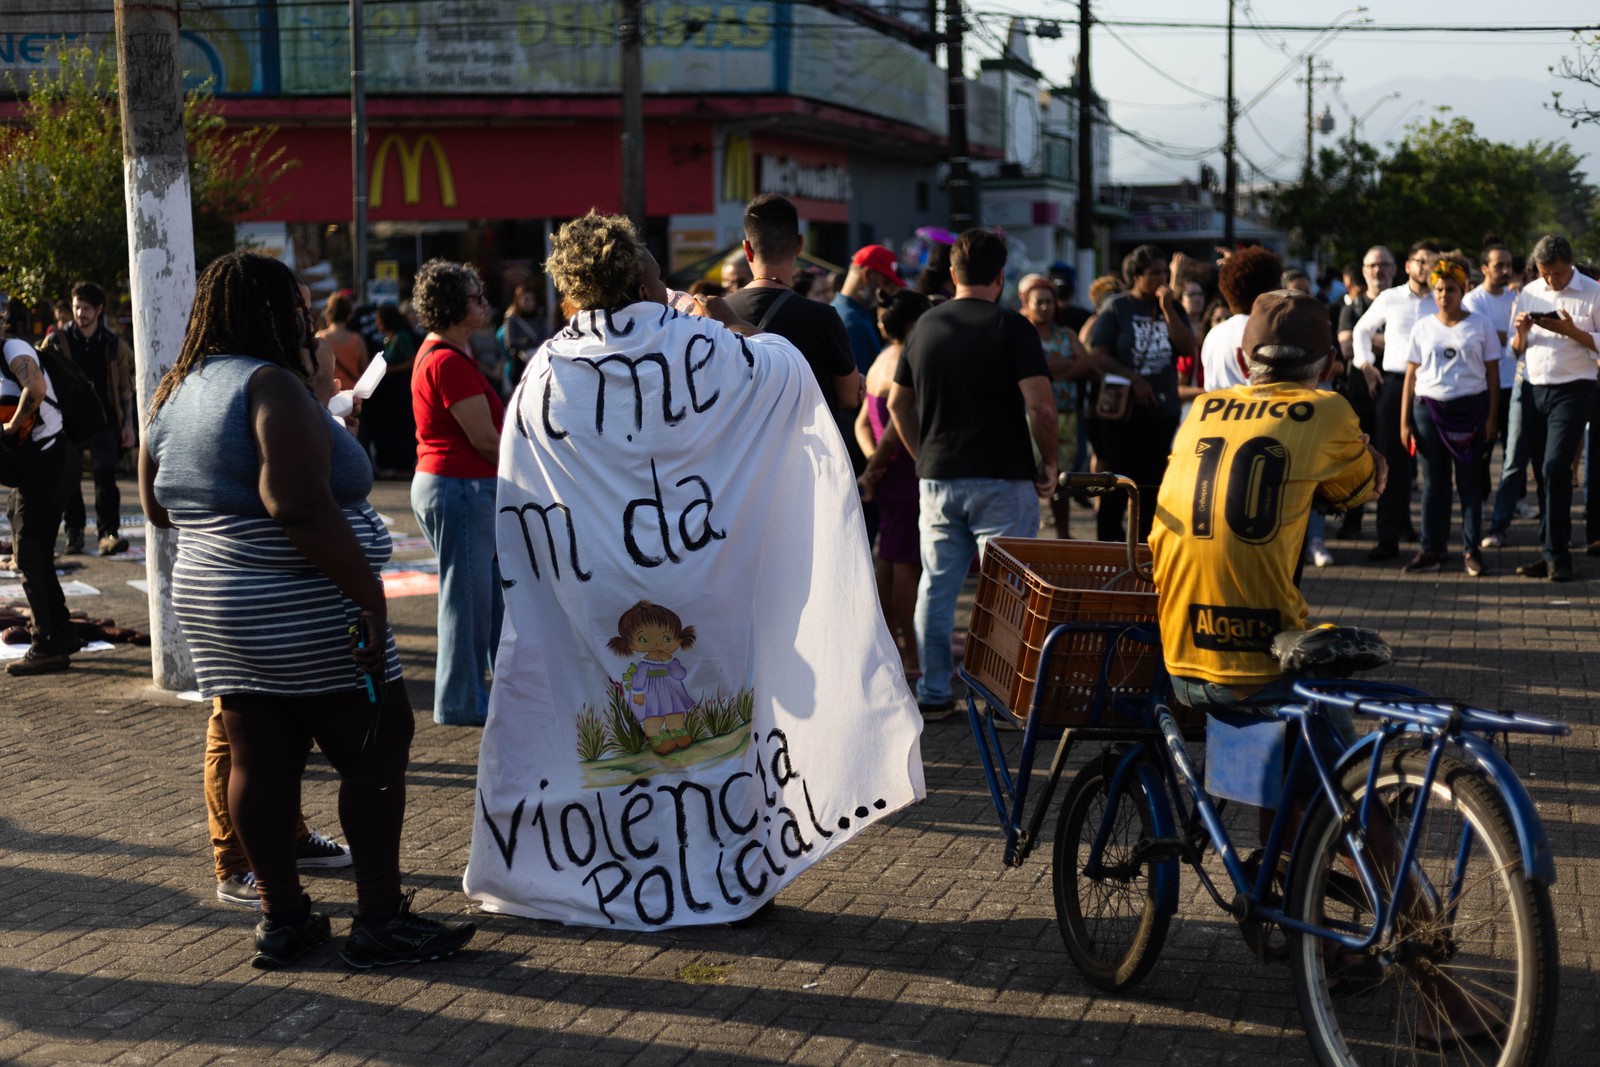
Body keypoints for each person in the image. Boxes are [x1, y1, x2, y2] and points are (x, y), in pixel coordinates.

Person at [464, 212, 924, 928]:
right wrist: (715, 324)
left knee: (618, 722)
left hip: (597, 587)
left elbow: (524, 481)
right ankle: (729, 869)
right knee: (718, 718)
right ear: (639, 275)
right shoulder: (702, 341)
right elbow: (786, 376)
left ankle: (625, 869)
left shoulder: (547, 368)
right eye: (652, 266)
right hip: (703, 577)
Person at [139, 250, 473, 968]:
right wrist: (368, 591)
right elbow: (296, 505)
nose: (303, 316)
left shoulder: (176, 390)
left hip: (215, 605)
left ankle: (283, 918)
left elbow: (155, 506)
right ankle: (379, 918)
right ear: (266, 310)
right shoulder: (270, 385)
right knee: (376, 743)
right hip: (306, 604)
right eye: (293, 304)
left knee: (259, 757)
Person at [1151, 289, 1383, 839]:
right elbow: (1361, 489)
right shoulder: (1327, 409)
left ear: (1240, 361)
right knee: (1349, 785)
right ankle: (1413, 914)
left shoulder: (1203, 408)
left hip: (1180, 652)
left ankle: (1282, 864)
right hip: (1260, 663)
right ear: (1327, 365)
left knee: (1289, 749)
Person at [888, 228, 1056, 718]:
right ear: (1001, 276)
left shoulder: (922, 327)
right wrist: (1049, 462)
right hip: (1002, 477)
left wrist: (922, 452)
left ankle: (935, 693)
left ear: (953, 274)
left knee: (936, 589)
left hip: (938, 477)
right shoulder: (1012, 327)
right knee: (1008, 594)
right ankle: (1001, 700)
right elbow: (1042, 409)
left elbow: (898, 403)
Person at [410, 259, 505, 725]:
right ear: (451, 305)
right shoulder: (446, 360)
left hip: (458, 485)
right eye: (475, 297)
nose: (484, 304)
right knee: (467, 601)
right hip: (460, 486)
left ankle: (480, 694)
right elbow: (484, 438)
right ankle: (462, 702)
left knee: (481, 598)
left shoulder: (447, 354)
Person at [1397, 256, 1502, 576]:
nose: (1445, 295)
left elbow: (1493, 375)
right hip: (1429, 410)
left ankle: (1471, 550)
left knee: (1470, 485)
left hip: (1471, 411)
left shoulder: (1480, 324)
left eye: (1452, 289)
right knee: (1434, 485)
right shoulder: (1423, 327)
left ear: (1464, 289)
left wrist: (1491, 419)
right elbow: (1410, 375)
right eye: (1440, 289)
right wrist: (1404, 421)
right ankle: (1431, 549)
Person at [1506, 234, 1600, 581]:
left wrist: (1571, 331)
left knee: (1556, 468)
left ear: (1570, 263)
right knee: (1542, 474)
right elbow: (1514, 351)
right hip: (1534, 388)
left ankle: (1560, 556)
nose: (1550, 281)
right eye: (1544, 273)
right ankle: (1549, 552)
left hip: (1574, 389)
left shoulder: (1592, 291)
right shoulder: (1530, 291)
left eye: (1556, 274)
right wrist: (1520, 332)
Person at [1088, 244, 1196, 542]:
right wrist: (1134, 379)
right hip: (1125, 414)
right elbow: (1098, 355)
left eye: (1164, 271)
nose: (1162, 278)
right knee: (1120, 484)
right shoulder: (1118, 308)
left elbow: (1188, 348)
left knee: (1153, 486)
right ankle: (1108, 551)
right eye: (1154, 273)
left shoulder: (1170, 307)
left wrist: (1169, 309)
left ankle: (1146, 552)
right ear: (1136, 275)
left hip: (1162, 411)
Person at [1, 296, 81, 676]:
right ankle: (60, 632)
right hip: (36, 465)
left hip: (52, 458)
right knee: (30, 548)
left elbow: (33, 388)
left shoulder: (13, 348)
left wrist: (11, 428)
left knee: (31, 552)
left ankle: (48, 643)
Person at [723, 194, 861, 410]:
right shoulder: (823, 318)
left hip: (738, 444)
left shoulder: (714, 316)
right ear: (800, 245)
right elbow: (850, 398)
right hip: (805, 442)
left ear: (747, 249)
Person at [857, 289, 932, 680]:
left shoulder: (879, 359)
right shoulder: (907, 359)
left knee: (887, 559)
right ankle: (912, 657)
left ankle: (894, 653)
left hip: (889, 471)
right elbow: (893, 425)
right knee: (906, 566)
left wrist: (872, 463)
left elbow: (863, 423)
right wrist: (879, 464)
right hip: (904, 470)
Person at [1352, 241, 1439, 560]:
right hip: (1393, 382)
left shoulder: (1442, 300)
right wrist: (1365, 366)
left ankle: (1424, 534)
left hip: (1430, 386)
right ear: (1407, 265)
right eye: (1420, 261)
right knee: (1389, 461)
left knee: (1426, 462)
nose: (1425, 267)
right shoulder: (1390, 298)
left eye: (1431, 262)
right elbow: (1361, 331)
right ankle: (1387, 537)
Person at [38, 282, 135, 556]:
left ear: (99, 310)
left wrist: (128, 423)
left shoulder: (112, 343)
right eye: (77, 307)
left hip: (103, 420)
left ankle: (108, 534)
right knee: (70, 479)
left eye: (86, 308)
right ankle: (75, 533)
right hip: (68, 422)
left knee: (106, 478)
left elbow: (124, 388)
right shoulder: (58, 340)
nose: (80, 313)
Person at [1016, 273, 1093, 537]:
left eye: (1050, 302)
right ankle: (1029, 530)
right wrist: (1056, 366)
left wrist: (1053, 373)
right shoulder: (1021, 332)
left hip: (1066, 414)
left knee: (1061, 477)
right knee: (1032, 476)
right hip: (1031, 414)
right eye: (1040, 302)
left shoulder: (1066, 333)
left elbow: (1085, 362)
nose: (1046, 307)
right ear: (1027, 303)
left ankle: (1063, 531)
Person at [1472, 245, 1526, 548]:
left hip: (1513, 382)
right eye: (1499, 265)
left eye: (1508, 265)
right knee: (1484, 448)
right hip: (1484, 384)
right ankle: (1479, 500)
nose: (1506, 270)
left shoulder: (1515, 298)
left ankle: (1515, 499)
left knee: (1514, 450)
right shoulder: (1473, 300)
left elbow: (1516, 336)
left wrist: (1504, 332)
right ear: (1485, 268)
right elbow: (1484, 337)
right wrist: (1505, 332)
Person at [1201, 246, 1283, 393]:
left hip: (1217, 414)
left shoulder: (1213, 334)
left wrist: (1237, 269)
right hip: (1260, 414)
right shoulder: (1268, 332)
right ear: (1267, 291)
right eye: (1278, 287)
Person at [833, 245, 905, 375]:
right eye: (886, 282)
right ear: (868, 275)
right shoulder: (854, 323)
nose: (889, 290)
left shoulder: (835, 309)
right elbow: (861, 386)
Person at [369, 304, 419, 478]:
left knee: (403, 427)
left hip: (401, 390)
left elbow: (413, 360)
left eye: (379, 319)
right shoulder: (389, 338)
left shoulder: (401, 337)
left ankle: (404, 467)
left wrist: (391, 369)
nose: (376, 323)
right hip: (391, 392)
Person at [496, 283, 548, 392]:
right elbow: (510, 343)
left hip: (537, 362)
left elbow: (544, 339)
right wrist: (528, 342)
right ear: (518, 301)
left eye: (531, 299)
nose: (528, 303)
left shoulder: (539, 318)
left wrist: (529, 343)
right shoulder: (512, 319)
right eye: (525, 299)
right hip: (519, 366)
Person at [316, 292, 370, 395]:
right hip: (352, 397)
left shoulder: (320, 338)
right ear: (348, 315)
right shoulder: (357, 340)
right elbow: (365, 370)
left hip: (328, 396)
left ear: (329, 314)